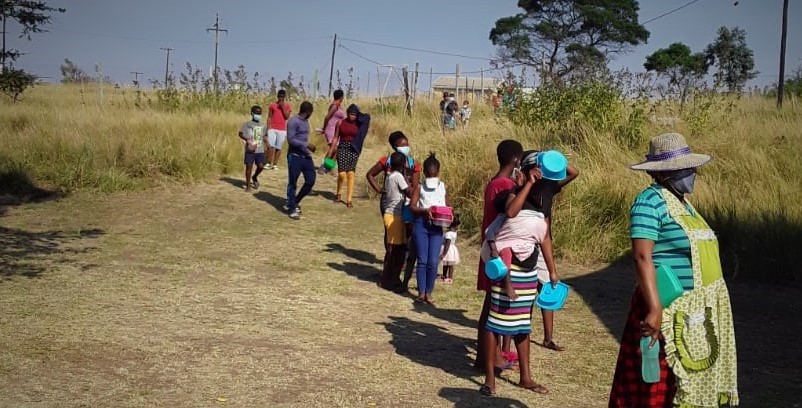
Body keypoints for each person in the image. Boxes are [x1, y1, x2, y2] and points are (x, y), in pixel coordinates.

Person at [609, 133, 738, 407]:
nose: (693, 173)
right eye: (685, 168)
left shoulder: (684, 204)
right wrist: (655, 309)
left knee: (690, 382)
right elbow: (641, 256)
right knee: (660, 387)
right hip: (668, 309)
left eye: (692, 167)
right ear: (663, 172)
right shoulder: (649, 202)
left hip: (695, 311)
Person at [478, 150, 563, 397]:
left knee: (523, 325)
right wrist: (527, 185)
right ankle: (489, 380)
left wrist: (553, 271)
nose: (541, 184)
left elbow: (544, 238)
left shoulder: (541, 203)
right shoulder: (510, 195)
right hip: (506, 269)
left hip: (528, 271)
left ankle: (526, 377)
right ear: (524, 174)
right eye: (537, 177)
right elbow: (511, 212)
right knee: (495, 323)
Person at [474, 140, 523, 371]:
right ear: (515, 160)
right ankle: (488, 358)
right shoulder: (503, 185)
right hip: (498, 250)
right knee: (492, 310)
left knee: (490, 307)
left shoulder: (495, 182)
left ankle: (487, 357)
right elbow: (510, 213)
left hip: (492, 248)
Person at [366, 131, 422, 292]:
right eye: (403, 145)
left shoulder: (413, 164)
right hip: (392, 203)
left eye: (407, 144)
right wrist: (379, 190)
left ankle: (393, 273)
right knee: (392, 241)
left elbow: (415, 186)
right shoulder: (388, 162)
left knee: (402, 240)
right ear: (395, 146)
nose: (406, 147)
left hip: (403, 203)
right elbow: (370, 174)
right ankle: (390, 275)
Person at [410, 153, 449, 304]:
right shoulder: (420, 187)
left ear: (438, 172)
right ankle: (421, 292)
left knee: (433, 261)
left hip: (437, 227)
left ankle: (429, 292)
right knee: (423, 260)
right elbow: (412, 206)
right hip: (421, 224)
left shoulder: (443, 187)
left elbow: (448, 206)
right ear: (425, 173)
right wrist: (425, 211)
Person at [324, 104, 369, 208]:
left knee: (351, 174)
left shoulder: (359, 124)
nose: (352, 116)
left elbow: (367, 117)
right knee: (342, 174)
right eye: (350, 114)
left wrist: (359, 114)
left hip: (354, 149)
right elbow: (335, 137)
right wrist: (331, 151)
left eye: (354, 114)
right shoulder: (340, 123)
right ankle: (339, 193)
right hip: (342, 148)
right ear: (347, 113)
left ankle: (349, 200)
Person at [379, 151, 409, 289]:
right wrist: (407, 177)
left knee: (395, 248)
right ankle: (388, 279)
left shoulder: (390, 176)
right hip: (395, 215)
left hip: (391, 213)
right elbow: (408, 191)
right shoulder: (398, 176)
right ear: (403, 164)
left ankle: (391, 278)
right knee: (394, 250)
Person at [285, 101, 317, 220]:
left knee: (310, 180)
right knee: (293, 182)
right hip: (294, 156)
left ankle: (296, 201)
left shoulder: (306, 122)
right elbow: (291, 139)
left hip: (306, 156)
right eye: (311, 112)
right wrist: (306, 144)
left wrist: (308, 147)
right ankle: (291, 208)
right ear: (308, 111)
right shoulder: (293, 121)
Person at [238, 105, 267, 192]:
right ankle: (248, 186)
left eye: (260, 113)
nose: (259, 115)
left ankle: (254, 177)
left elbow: (264, 135)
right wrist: (246, 139)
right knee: (249, 167)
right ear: (252, 113)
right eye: (257, 113)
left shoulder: (263, 125)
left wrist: (267, 144)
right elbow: (240, 133)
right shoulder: (247, 124)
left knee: (261, 166)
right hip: (250, 149)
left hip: (260, 149)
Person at [318, 89, 346, 173]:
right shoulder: (334, 106)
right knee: (333, 149)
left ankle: (329, 167)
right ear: (341, 97)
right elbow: (327, 117)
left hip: (336, 129)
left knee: (336, 150)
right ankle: (323, 167)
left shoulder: (338, 106)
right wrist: (324, 128)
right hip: (331, 128)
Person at [266, 89, 292, 170]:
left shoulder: (287, 106)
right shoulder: (272, 105)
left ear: (284, 97)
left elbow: (286, 117)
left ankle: (275, 164)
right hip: (272, 128)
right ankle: (268, 162)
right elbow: (269, 117)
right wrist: (268, 128)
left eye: (282, 97)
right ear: (277, 96)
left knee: (278, 147)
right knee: (270, 146)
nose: (281, 98)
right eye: (279, 96)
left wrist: (282, 107)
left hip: (282, 130)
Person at [439, 216, 460, 284]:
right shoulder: (454, 232)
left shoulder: (448, 234)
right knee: (450, 264)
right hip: (452, 248)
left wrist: (444, 254)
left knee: (447, 264)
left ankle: (446, 277)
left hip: (448, 249)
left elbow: (447, 244)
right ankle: (448, 277)